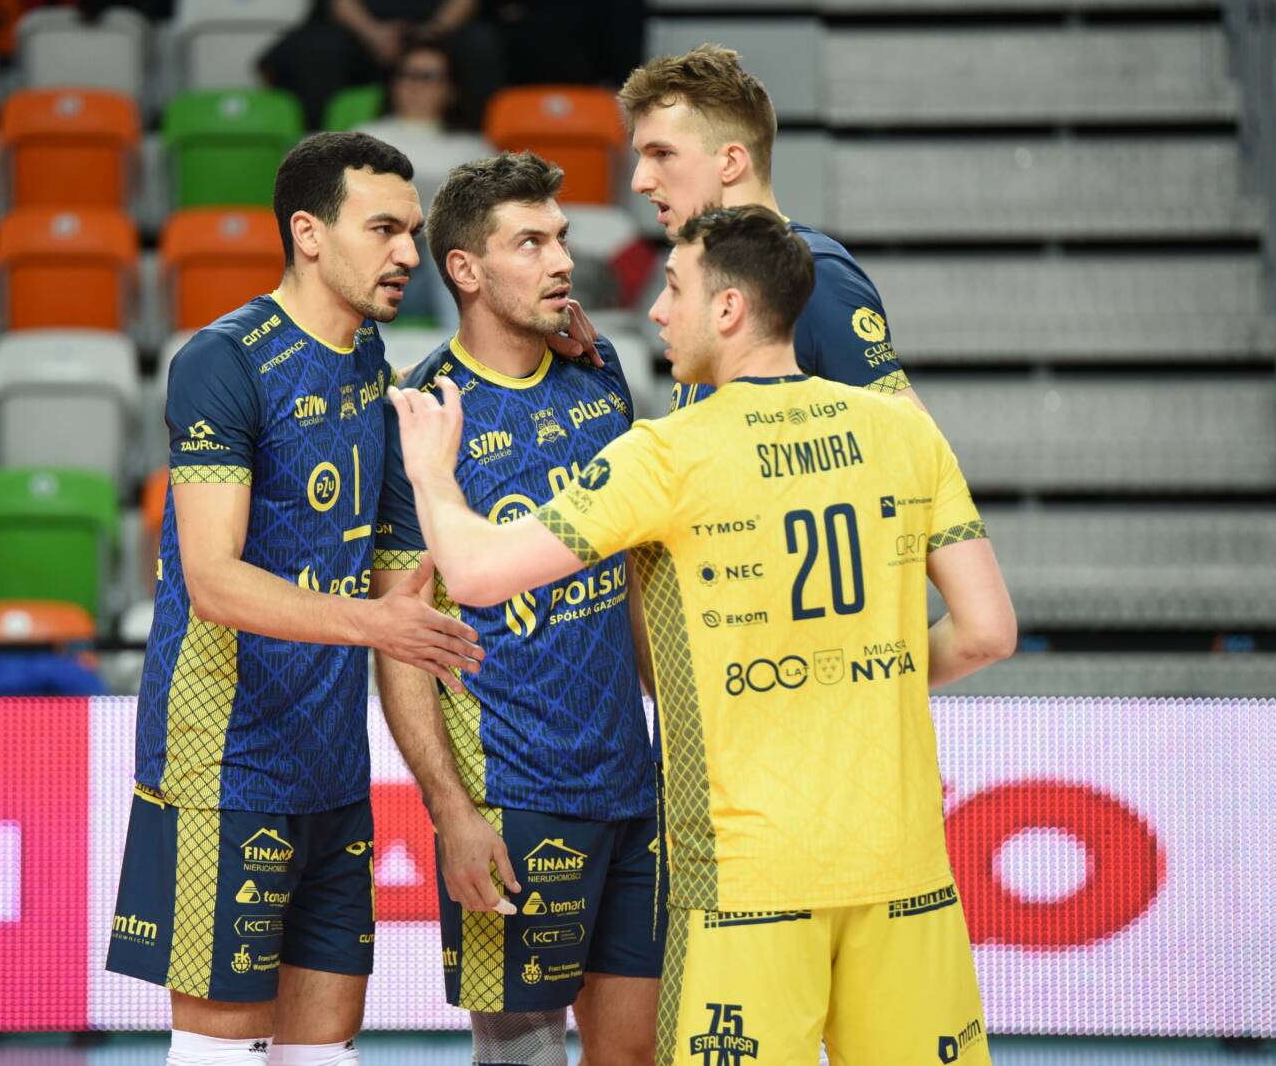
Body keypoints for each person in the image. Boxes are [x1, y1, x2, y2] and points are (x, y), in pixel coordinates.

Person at [388, 206, 1017, 1063]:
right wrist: (854, 672)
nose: (655, 311)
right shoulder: (906, 429)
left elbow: (471, 573)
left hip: (747, 876)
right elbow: (987, 634)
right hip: (905, 868)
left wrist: (432, 474)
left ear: (728, 309)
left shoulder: (669, 453)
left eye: (674, 290)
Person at [104, 131, 489, 1066]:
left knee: (324, 1053)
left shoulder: (373, 366)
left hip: (332, 773)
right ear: (309, 233)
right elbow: (212, 579)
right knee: (221, 1053)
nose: (409, 253)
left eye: (412, 232)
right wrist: (376, 623)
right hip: (224, 767)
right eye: (384, 229)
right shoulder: (223, 361)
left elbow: (400, 585)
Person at [373, 152, 661, 1066]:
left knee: (636, 1057)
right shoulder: (419, 416)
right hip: (514, 801)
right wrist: (450, 811)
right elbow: (401, 639)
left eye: (561, 238)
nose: (562, 260)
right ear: (465, 268)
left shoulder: (600, 377)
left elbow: (630, 577)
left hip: (633, 788)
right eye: (530, 243)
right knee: (521, 1060)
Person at [619, 45, 924, 414]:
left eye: (662, 154)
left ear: (730, 162)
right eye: (640, 157)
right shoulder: (701, 274)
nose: (639, 181)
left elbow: (913, 435)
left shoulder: (815, 274)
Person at [355, 41, 495, 327]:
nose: (416, 85)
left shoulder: (474, 148)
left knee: (450, 241)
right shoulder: (363, 138)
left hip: (446, 271)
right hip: (375, 263)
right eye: (408, 74)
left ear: (451, 89)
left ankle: (466, 348)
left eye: (428, 77)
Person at [259, 0, 504, 137]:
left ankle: (473, 139)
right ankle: (319, 143)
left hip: (439, 31)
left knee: (481, 43)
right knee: (319, 47)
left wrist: (432, 33)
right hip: (364, 33)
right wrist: (372, 33)